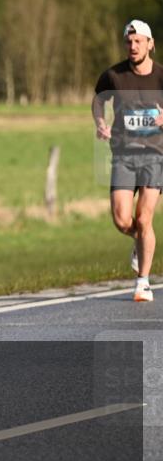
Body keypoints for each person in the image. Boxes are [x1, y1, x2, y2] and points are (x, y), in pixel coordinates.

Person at [92, 19, 159, 302]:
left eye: (138, 41)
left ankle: (142, 282)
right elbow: (98, 100)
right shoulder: (114, 76)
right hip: (124, 155)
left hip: (155, 155)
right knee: (122, 220)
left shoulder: (161, 77)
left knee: (144, 218)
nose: (133, 46)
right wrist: (100, 122)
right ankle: (139, 242)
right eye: (129, 42)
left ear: (150, 44)